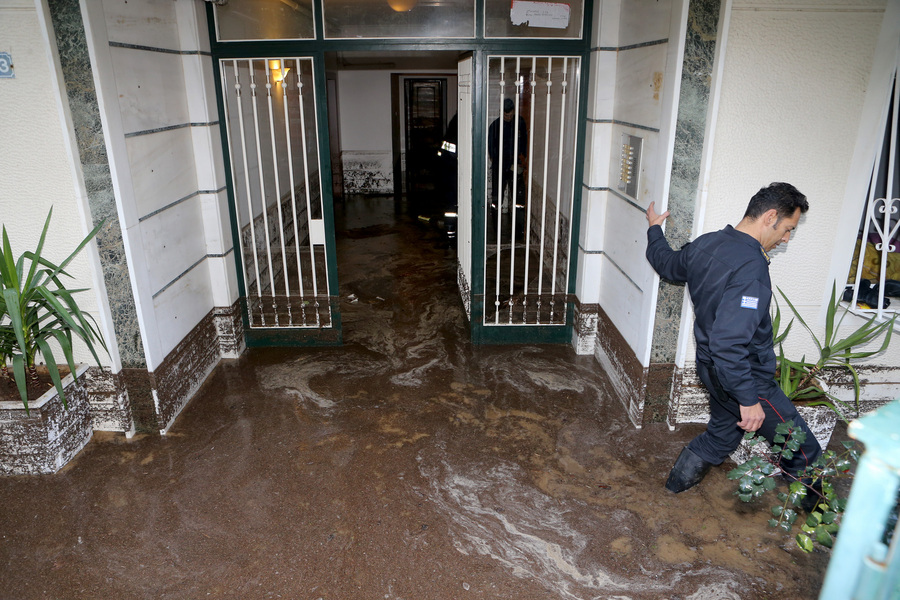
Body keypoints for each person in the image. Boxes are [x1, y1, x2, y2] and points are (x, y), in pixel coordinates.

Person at [645, 182, 822, 494]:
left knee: (722, 435)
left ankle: (673, 490)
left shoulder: (707, 243)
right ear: (770, 217)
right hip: (744, 378)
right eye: (787, 228)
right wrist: (749, 399)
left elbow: (668, 264)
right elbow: (729, 342)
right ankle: (825, 526)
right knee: (803, 451)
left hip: (711, 371)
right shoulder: (751, 267)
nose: (785, 239)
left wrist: (654, 230)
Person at [487, 98, 527, 213]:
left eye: (510, 115)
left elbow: (524, 141)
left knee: (519, 197)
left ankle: (518, 225)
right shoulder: (495, 126)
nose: (508, 118)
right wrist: (498, 161)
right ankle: (495, 223)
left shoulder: (520, 122)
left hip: (515, 164)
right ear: (501, 113)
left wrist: (523, 157)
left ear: (513, 112)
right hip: (500, 165)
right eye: (506, 116)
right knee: (496, 196)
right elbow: (491, 148)